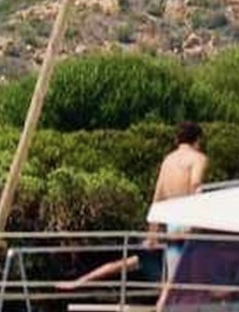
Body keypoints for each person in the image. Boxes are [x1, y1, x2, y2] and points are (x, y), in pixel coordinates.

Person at [62, 122, 208, 300]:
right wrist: (199, 222)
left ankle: (79, 282)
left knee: (165, 277)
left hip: (170, 224)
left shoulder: (167, 161)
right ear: (198, 140)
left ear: (177, 139)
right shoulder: (198, 158)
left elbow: (158, 197)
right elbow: (195, 185)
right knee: (179, 281)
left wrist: (152, 234)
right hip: (187, 222)